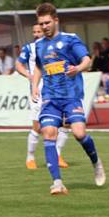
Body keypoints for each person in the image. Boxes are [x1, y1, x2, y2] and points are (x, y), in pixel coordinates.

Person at [31, 2, 105, 196]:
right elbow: (39, 67)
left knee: (79, 134)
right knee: (48, 132)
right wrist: (34, 87)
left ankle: (96, 163)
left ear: (56, 20)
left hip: (71, 97)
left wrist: (77, 69)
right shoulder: (38, 45)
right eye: (41, 23)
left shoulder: (71, 40)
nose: (44, 27)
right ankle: (57, 183)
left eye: (47, 22)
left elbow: (87, 60)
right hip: (50, 98)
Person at [15, 23, 69, 170]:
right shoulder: (29, 48)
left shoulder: (56, 47)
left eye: (39, 31)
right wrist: (29, 75)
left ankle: (57, 155)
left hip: (56, 91)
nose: (37, 33)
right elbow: (18, 65)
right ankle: (30, 157)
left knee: (65, 123)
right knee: (38, 127)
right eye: (34, 31)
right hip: (38, 92)